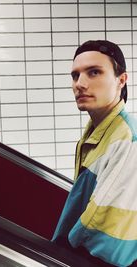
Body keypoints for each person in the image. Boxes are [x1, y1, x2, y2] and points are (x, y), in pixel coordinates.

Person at [52, 40, 137, 267]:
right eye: (75, 75)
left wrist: (59, 254)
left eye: (94, 72)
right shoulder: (97, 130)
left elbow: (99, 226)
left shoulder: (127, 140)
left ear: (121, 80)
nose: (80, 84)